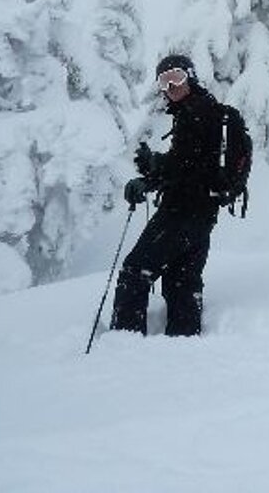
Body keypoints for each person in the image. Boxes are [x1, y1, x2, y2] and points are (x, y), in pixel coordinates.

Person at [111, 53, 229, 337]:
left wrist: (154, 170)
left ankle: (123, 345)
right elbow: (190, 167)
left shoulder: (197, 112)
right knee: (182, 281)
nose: (170, 86)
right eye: (164, 81)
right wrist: (152, 172)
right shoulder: (202, 111)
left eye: (176, 77)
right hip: (201, 217)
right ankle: (183, 346)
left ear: (191, 76)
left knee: (135, 271)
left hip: (182, 215)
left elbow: (186, 166)